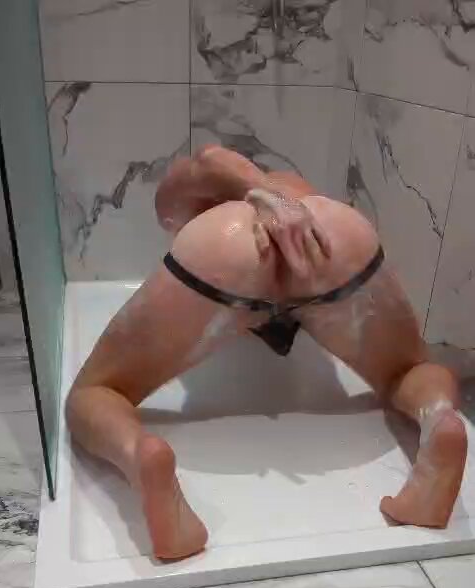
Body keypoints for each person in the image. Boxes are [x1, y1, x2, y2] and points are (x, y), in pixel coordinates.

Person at [66, 145, 467, 560]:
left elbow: (209, 159)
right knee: (409, 369)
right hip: (332, 239)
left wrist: (264, 196)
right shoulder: (301, 193)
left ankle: (139, 454)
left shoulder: (223, 194)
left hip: (231, 247)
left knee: (97, 391)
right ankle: (438, 419)